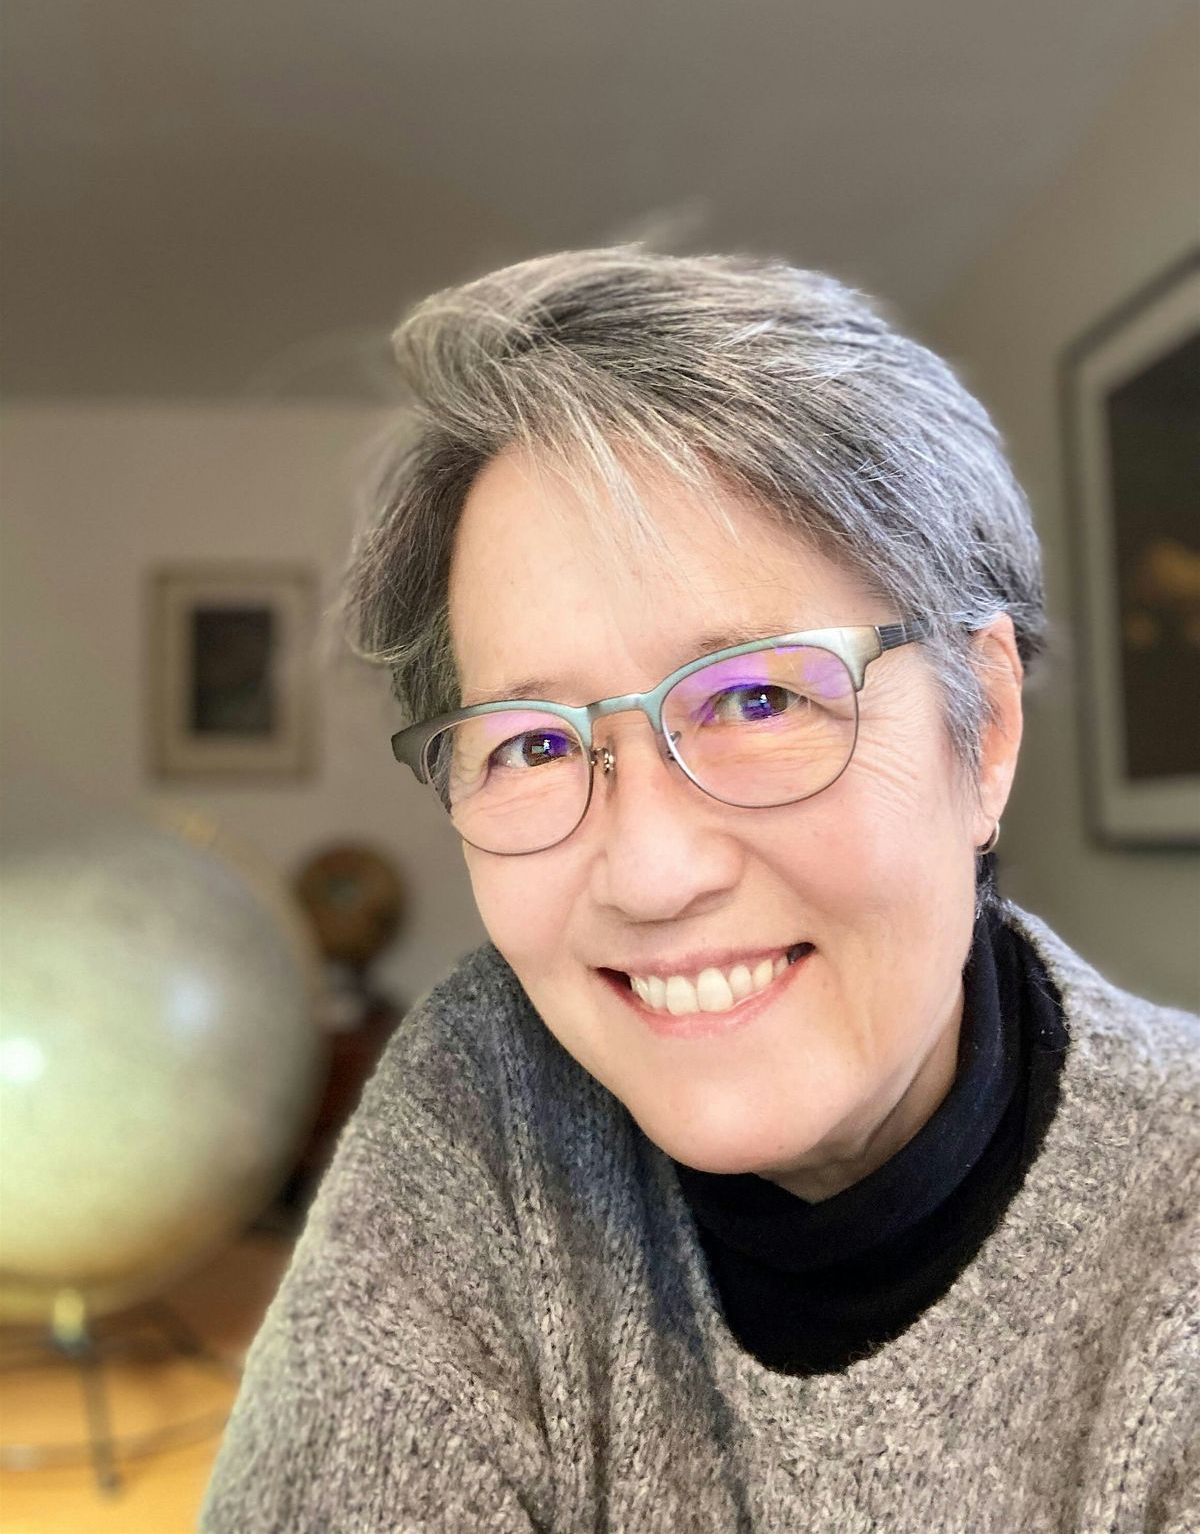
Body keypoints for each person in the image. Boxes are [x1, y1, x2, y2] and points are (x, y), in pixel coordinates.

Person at [201, 249, 1198, 1533]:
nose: (652, 872)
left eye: (760, 698)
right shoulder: (489, 1101)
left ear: (986, 727)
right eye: (534, 742)